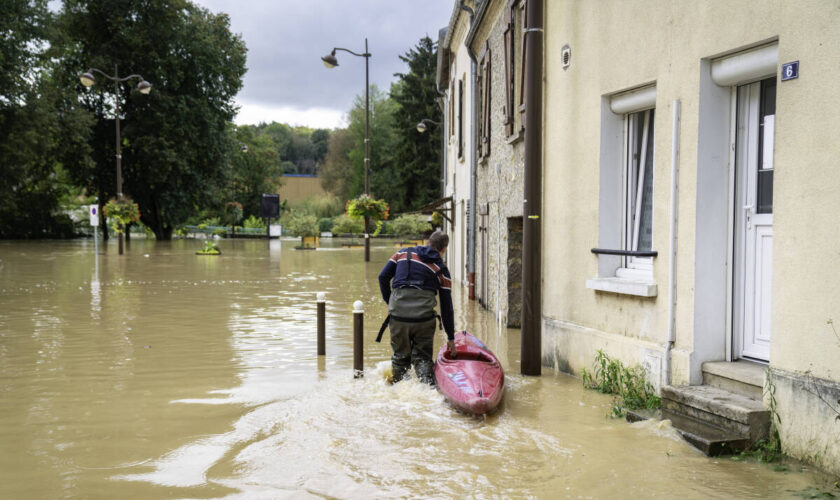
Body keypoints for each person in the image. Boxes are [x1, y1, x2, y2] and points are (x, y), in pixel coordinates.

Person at [378, 230, 456, 384]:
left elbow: (382, 277)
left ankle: (397, 392)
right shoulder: (442, 270)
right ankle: (427, 392)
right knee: (423, 360)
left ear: (428, 242)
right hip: (424, 321)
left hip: (398, 317)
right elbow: (447, 308)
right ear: (444, 249)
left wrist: (391, 303)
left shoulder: (402, 254)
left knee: (400, 360)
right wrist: (451, 338)